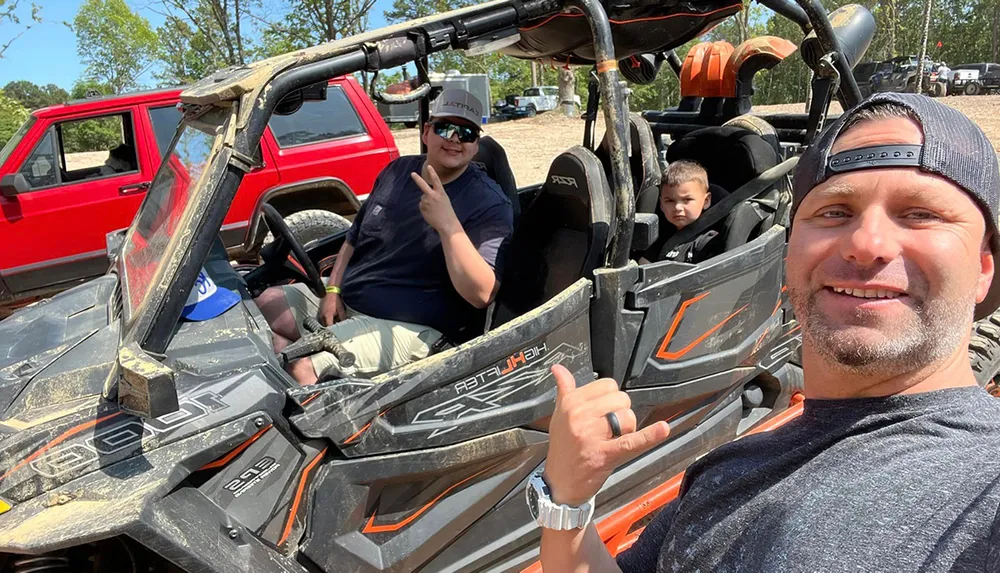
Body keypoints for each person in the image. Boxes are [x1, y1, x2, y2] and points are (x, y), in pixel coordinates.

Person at [531, 92, 1000, 572]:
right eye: (834, 212)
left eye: (920, 214)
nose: (866, 244)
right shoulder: (728, 468)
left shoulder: (984, 487)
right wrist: (565, 501)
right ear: (790, 250)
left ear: (984, 268)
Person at [256, 89, 513, 385]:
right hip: (350, 301)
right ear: (427, 132)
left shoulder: (489, 203)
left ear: (476, 144)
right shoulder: (397, 172)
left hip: (409, 327)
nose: (455, 138)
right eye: (445, 128)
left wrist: (448, 225)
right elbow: (352, 238)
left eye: (467, 133)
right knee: (266, 304)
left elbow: (482, 295)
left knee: (302, 368)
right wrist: (333, 291)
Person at [646, 159, 722, 263]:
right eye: (670, 201)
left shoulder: (708, 242)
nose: (677, 207)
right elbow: (644, 263)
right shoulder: (659, 237)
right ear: (661, 204)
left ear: (706, 201)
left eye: (687, 200)